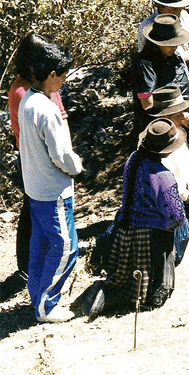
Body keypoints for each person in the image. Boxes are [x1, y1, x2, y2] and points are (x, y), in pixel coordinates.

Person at [83, 118, 186, 319]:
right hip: (148, 239)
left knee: (125, 274)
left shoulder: (133, 160)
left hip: (124, 228)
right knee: (148, 291)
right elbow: (175, 216)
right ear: (167, 150)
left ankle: (112, 290)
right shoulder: (163, 176)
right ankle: (132, 297)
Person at [18, 42, 82, 323]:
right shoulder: (47, 108)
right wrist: (76, 166)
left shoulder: (26, 100)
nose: (65, 80)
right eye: (63, 75)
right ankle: (47, 306)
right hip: (53, 191)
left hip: (35, 188)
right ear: (52, 74)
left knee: (41, 246)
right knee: (67, 247)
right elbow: (61, 155)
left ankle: (37, 295)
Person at [7, 33, 69, 283]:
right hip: (34, 157)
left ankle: (43, 259)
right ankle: (26, 265)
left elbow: (61, 116)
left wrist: (68, 155)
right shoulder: (22, 90)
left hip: (55, 152)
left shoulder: (46, 80)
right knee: (31, 210)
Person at [136, 13, 189, 196]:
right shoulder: (145, 62)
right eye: (171, 43)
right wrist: (179, 118)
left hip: (187, 117)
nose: (175, 46)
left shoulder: (176, 56)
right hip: (165, 125)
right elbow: (146, 101)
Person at [147, 85, 189, 265]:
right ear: (166, 117)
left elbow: (187, 161)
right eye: (178, 115)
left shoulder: (178, 133)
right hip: (165, 206)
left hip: (180, 198)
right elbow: (166, 180)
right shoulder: (157, 139)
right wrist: (185, 195)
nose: (183, 118)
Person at [138, 0, 189, 83]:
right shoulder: (148, 27)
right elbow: (149, 63)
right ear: (161, 7)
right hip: (168, 84)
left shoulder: (183, 16)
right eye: (175, 8)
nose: (180, 9)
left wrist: (187, 57)